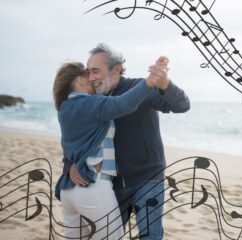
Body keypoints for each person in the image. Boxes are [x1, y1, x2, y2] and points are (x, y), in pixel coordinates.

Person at [66, 43, 190, 239]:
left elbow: (182, 105)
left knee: (150, 236)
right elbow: (75, 135)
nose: (91, 78)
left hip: (147, 178)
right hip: (109, 185)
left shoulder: (140, 87)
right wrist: (71, 163)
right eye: (89, 72)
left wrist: (165, 83)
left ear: (115, 69)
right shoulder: (91, 100)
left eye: (96, 71)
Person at [53, 59, 167, 239]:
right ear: (80, 80)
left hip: (68, 191)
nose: (92, 78)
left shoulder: (64, 108)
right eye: (87, 75)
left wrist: (72, 165)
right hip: (93, 186)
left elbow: (73, 145)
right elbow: (123, 104)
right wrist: (148, 82)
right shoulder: (90, 104)